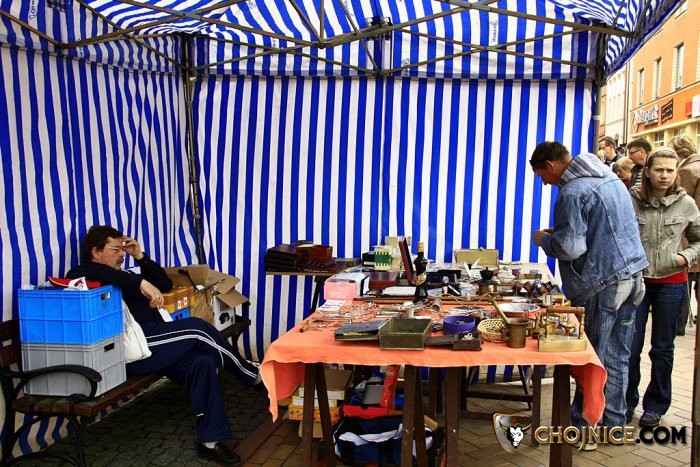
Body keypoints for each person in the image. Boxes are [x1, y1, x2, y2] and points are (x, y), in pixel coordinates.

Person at [67, 226, 258, 465]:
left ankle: (210, 442)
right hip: (138, 348)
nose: (121, 254)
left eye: (122, 250)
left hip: (159, 340)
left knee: (202, 362)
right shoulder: (84, 274)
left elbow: (164, 284)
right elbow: (86, 271)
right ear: (96, 252)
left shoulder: (121, 273)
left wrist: (140, 256)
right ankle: (250, 375)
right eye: (115, 250)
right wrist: (140, 284)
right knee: (197, 328)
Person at [530, 142, 647, 448]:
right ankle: (614, 426)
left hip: (603, 282)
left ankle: (585, 429)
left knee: (591, 360)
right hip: (633, 276)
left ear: (551, 165)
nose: (545, 183)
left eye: (542, 176)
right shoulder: (609, 177)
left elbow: (570, 248)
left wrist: (544, 240)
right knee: (617, 357)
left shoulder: (572, 192)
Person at [626, 147, 700, 428]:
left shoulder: (686, 204)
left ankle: (655, 406)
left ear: (676, 172)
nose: (665, 175)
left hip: (671, 283)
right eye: (659, 169)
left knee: (662, 348)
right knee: (630, 347)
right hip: (636, 282)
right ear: (647, 171)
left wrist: (685, 257)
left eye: (670, 170)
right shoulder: (631, 200)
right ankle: (626, 401)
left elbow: (699, 240)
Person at [668, 135, 700, 334]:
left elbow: (680, 204)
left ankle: (678, 324)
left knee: (682, 281)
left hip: (689, 233)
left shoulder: (687, 170)